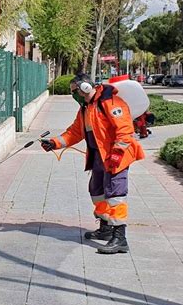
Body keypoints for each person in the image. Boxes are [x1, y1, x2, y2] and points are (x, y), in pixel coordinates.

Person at [41, 73, 145, 254]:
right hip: (98, 155)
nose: (74, 95)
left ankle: (120, 237)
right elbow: (74, 132)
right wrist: (54, 143)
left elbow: (125, 131)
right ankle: (105, 228)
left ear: (85, 88)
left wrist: (117, 154)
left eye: (75, 91)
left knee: (115, 193)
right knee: (97, 190)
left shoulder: (111, 102)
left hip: (116, 156)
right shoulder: (86, 108)